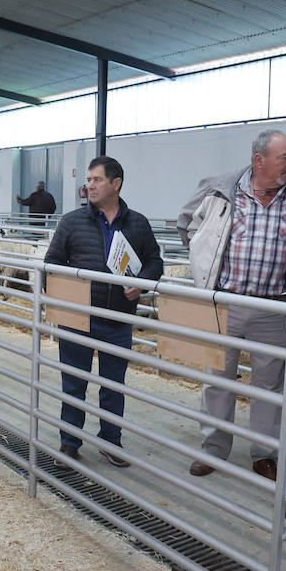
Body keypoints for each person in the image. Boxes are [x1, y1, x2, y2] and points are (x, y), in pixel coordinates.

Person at [176, 129, 286, 480]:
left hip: (275, 306)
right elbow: (186, 225)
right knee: (218, 378)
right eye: (284, 157)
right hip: (225, 301)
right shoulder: (220, 188)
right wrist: (204, 262)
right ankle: (213, 448)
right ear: (259, 160)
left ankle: (264, 452)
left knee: (270, 385)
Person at [44, 157, 163, 468]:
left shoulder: (137, 223)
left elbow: (155, 263)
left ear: (116, 184)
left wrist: (141, 284)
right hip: (77, 318)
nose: (90, 185)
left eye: (97, 180)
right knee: (74, 383)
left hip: (118, 318)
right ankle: (69, 442)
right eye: (89, 180)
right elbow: (50, 266)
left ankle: (111, 442)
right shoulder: (71, 222)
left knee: (113, 384)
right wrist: (64, 297)